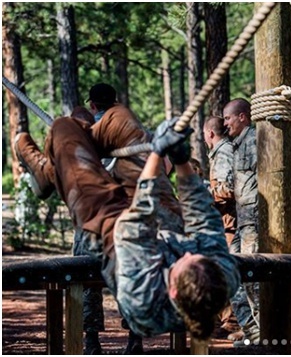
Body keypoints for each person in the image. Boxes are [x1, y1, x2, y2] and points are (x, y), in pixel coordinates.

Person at [19, 112, 239, 341]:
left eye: (183, 259)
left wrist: (156, 153)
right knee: (121, 121)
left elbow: (135, 222)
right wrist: (180, 157)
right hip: (163, 224)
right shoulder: (223, 275)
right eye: (197, 255)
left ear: (172, 289)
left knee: (64, 129)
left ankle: (50, 171)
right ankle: (66, 160)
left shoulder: (143, 296)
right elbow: (201, 214)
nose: (188, 254)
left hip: (111, 229)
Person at [14, 83, 183, 353]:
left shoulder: (101, 134)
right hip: (133, 218)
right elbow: (166, 167)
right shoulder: (132, 134)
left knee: (88, 274)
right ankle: (127, 340)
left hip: (105, 221)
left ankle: (94, 339)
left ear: (94, 107)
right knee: (119, 270)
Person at [223, 98, 260, 346]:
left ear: (242, 117)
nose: (225, 123)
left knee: (253, 279)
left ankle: (262, 333)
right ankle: (251, 330)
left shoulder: (257, 139)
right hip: (242, 221)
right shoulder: (236, 145)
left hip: (255, 221)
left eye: (228, 118)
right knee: (230, 274)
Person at [203, 115, 239, 335]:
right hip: (224, 223)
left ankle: (233, 322)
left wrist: (205, 194)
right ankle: (224, 320)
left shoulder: (224, 152)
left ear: (209, 134)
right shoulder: (223, 151)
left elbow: (228, 188)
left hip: (230, 224)